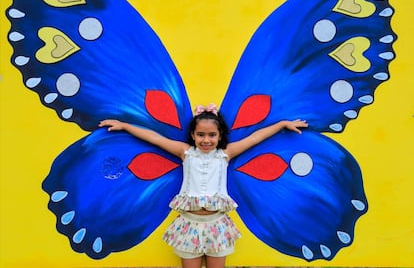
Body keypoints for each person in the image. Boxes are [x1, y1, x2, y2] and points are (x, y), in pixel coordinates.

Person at [99, 103, 308, 268]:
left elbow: (256, 138)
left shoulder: (225, 155)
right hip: (189, 225)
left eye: (211, 135)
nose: (206, 140)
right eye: (200, 135)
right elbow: (155, 138)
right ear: (192, 135)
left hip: (217, 225)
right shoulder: (185, 152)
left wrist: (282, 125)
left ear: (220, 136)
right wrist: (125, 126)